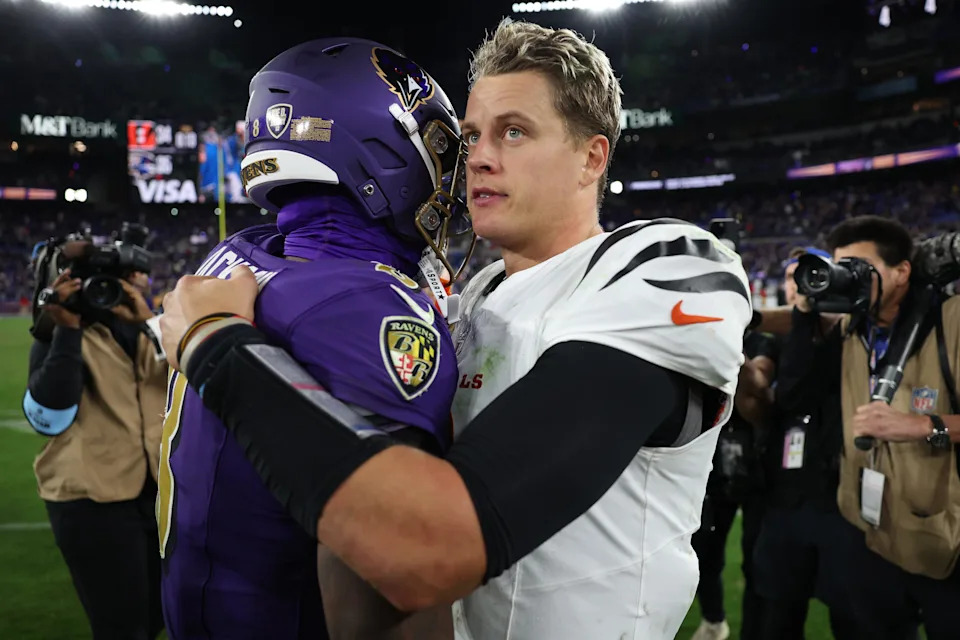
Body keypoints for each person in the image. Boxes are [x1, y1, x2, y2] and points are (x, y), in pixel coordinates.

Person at [158, 19, 752, 640]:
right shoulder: (469, 300)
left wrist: (216, 340)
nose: (481, 158)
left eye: (514, 132)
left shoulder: (665, 266)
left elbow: (432, 548)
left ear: (591, 156)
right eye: (470, 137)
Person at [156, 38, 466, 640]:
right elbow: (400, 573)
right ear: (379, 148)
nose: (455, 174)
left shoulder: (235, 259)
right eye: (437, 147)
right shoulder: (365, 305)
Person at [772, 216, 960, 639]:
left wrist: (920, 425)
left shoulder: (952, 321)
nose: (846, 279)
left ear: (902, 271)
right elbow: (795, 395)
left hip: (945, 538)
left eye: (858, 268)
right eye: (841, 267)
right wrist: (804, 310)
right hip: (870, 533)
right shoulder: (853, 328)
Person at [22, 234, 165, 640]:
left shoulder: (142, 331)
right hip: (90, 499)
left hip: (153, 495)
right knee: (122, 627)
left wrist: (149, 320)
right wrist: (66, 332)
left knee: (157, 617)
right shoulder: (58, 334)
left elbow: (191, 376)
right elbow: (48, 418)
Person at [751, 246, 859, 640]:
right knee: (778, 616)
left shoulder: (858, 334)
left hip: (842, 500)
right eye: (793, 279)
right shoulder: (776, 340)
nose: (801, 288)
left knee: (852, 617)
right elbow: (784, 395)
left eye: (809, 277)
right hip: (786, 499)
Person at [690, 324, 777, 640]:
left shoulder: (762, 342)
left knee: (756, 560)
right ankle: (714, 621)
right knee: (704, 553)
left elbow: (760, 384)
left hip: (756, 469)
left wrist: (734, 357)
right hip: (713, 468)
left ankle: (754, 630)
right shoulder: (702, 338)